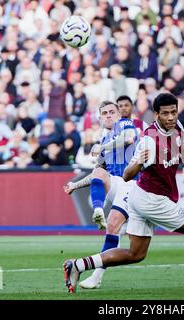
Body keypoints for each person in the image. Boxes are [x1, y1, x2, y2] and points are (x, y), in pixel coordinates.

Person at [62, 93, 184, 294]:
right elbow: (126, 174)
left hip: (142, 198)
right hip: (151, 199)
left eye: (174, 112)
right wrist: (139, 161)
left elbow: (183, 154)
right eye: (165, 113)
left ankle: (78, 265)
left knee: (135, 253)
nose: (170, 117)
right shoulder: (149, 140)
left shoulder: (177, 128)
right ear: (156, 114)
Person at [63, 100, 139, 289]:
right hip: (117, 185)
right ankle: (98, 210)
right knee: (98, 173)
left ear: (118, 114)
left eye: (112, 112)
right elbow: (98, 173)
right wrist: (75, 185)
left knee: (121, 235)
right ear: (99, 118)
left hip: (133, 184)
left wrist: (102, 148)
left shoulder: (124, 124)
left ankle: (96, 276)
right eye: (104, 113)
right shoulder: (105, 140)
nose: (108, 115)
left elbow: (129, 138)